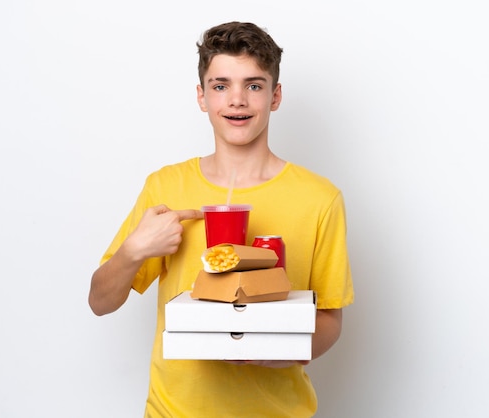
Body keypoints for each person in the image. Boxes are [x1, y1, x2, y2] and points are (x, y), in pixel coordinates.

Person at [89, 21, 354, 417]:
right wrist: (135, 249)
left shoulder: (320, 198)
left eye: (253, 85)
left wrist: (272, 352)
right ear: (201, 96)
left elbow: (330, 317)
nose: (237, 100)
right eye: (220, 86)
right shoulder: (165, 187)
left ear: (275, 95)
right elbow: (100, 302)